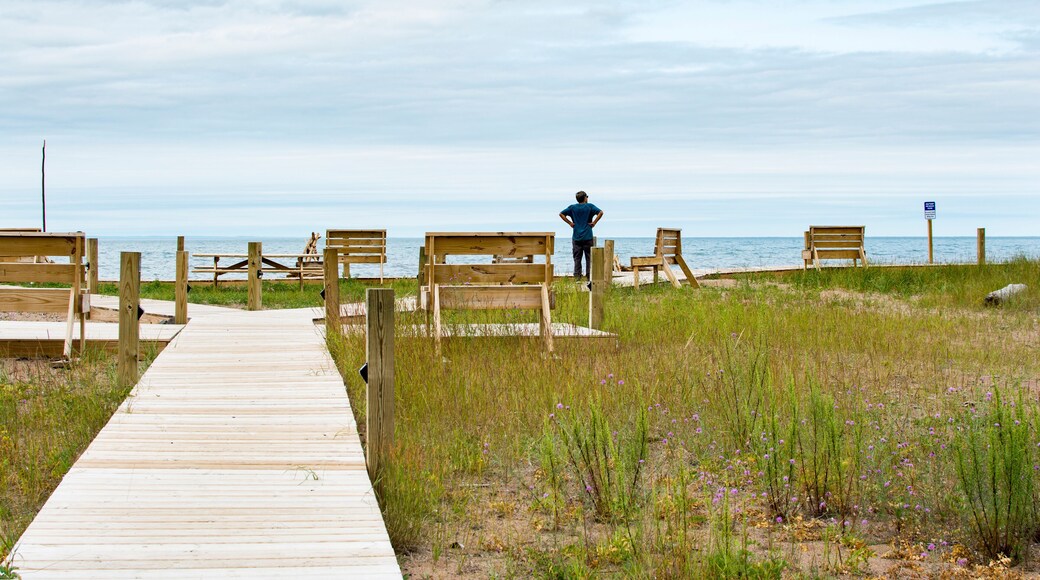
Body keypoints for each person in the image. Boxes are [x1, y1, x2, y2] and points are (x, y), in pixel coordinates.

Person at [559, 191, 603, 282]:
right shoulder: (590, 206)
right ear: (585, 198)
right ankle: (589, 278)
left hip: (576, 237)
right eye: (587, 197)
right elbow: (601, 212)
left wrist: (570, 223)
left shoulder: (572, 208)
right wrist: (594, 222)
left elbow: (561, 214)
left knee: (577, 258)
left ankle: (577, 278)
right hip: (588, 236)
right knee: (589, 258)